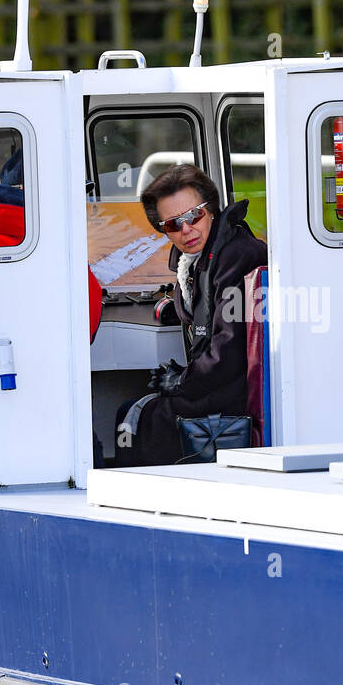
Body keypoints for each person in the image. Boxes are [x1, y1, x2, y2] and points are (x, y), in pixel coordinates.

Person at [117, 164, 267, 465]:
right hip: (219, 382)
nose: (186, 230)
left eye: (193, 216)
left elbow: (230, 348)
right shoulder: (195, 261)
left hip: (238, 390)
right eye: (173, 225)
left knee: (139, 416)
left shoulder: (236, 255)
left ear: (210, 209)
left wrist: (182, 382)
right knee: (133, 409)